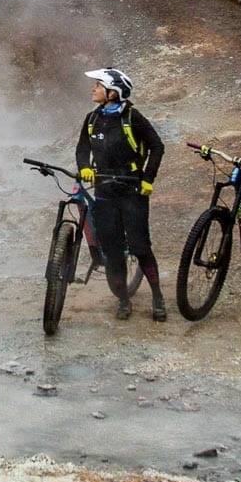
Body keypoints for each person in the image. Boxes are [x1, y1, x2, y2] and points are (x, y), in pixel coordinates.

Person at [75, 67, 166, 320]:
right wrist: (84, 168)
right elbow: (82, 148)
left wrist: (148, 179)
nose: (93, 89)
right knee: (113, 251)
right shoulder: (92, 119)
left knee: (140, 246)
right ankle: (123, 300)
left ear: (113, 92)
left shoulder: (132, 117)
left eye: (98, 85)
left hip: (132, 189)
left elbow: (157, 146)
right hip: (105, 191)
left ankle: (158, 296)